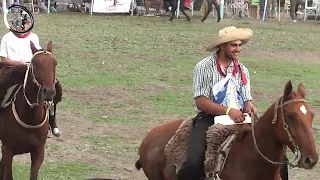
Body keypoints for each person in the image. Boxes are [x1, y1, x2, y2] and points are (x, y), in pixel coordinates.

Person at [176, 26, 288, 180]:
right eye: (234, 45)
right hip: (209, 118)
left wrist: (249, 105)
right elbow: (201, 102)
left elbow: (247, 98)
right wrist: (229, 111)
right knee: (193, 162)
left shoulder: (243, 70)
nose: (238, 49)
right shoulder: (204, 67)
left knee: (278, 156)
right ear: (222, 46)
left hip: (241, 117)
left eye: (240, 45)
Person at [0, 15, 61, 137]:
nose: (27, 26)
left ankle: (52, 122)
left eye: (28, 23)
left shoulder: (34, 37)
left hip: (30, 69)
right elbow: (2, 59)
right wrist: (18, 63)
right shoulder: (7, 37)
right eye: (26, 24)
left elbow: (36, 55)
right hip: (12, 70)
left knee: (52, 84)